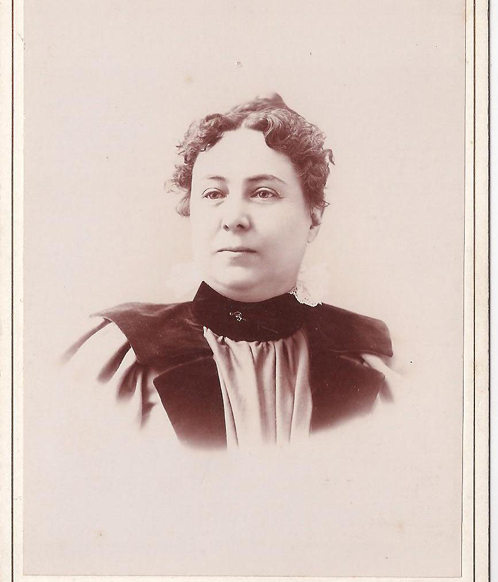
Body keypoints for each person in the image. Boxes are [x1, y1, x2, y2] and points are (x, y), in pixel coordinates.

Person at [65, 94, 393, 449]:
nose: (234, 218)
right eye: (213, 194)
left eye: (263, 193)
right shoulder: (122, 357)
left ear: (313, 217)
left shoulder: (372, 360)